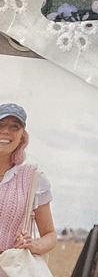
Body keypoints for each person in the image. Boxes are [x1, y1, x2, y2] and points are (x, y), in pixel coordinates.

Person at [0, 104, 57, 256]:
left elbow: (50, 235)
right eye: (0, 125)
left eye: (14, 126)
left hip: (8, 266)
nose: (5, 131)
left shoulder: (33, 179)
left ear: (22, 137)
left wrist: (34, 244)